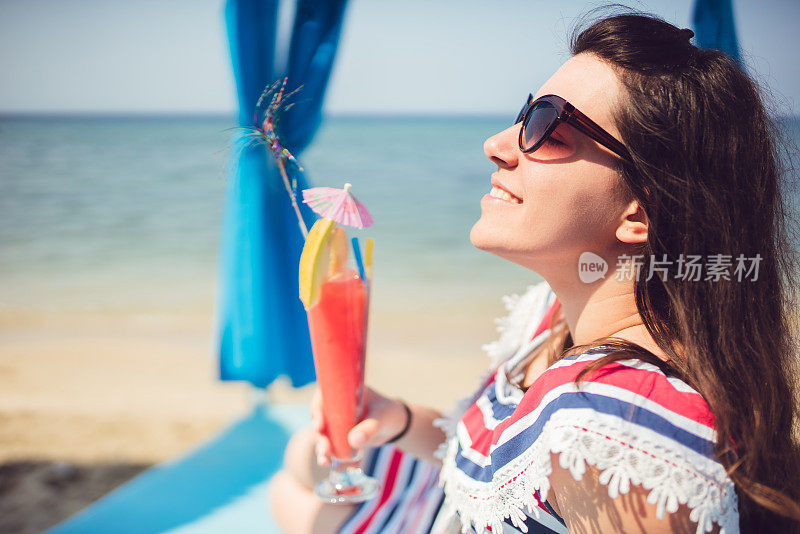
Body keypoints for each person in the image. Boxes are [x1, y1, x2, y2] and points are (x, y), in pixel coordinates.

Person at [269, 10, 800, 534]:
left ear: (641, 211)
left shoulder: (611, 424)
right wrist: (401, 419)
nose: (497, 145)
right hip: (448, 503)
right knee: (302, 460)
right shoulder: (557, 317)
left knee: (297, 502)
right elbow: (508, 454)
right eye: (526, 114)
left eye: (549, 127)